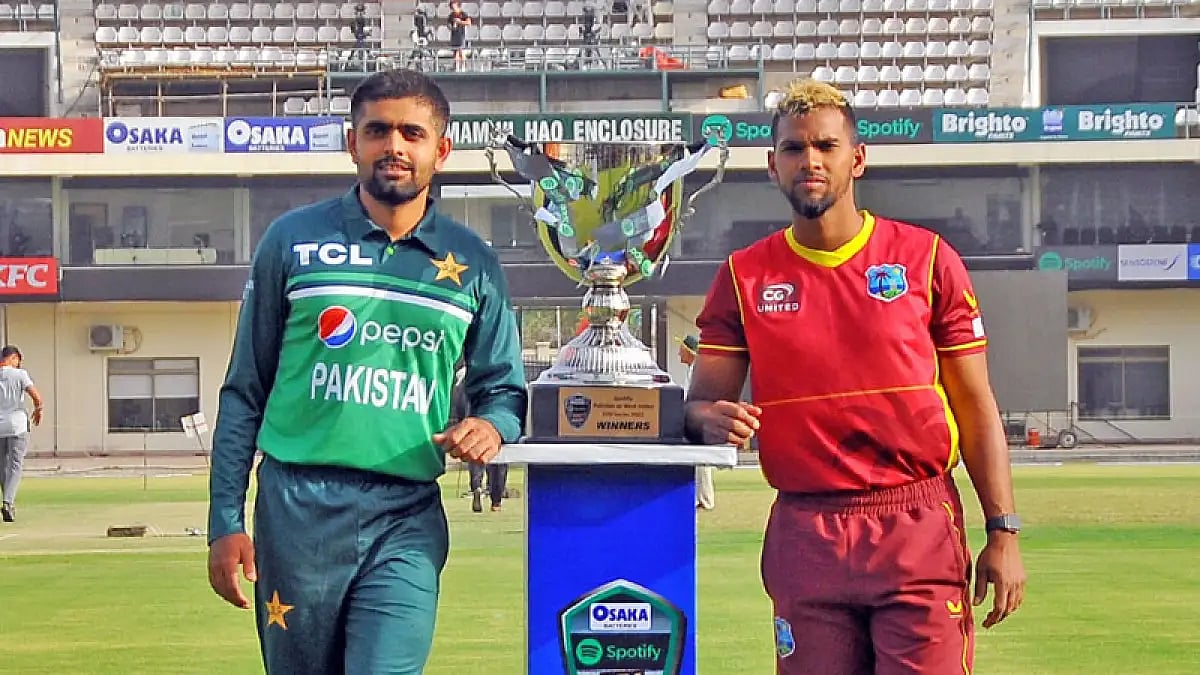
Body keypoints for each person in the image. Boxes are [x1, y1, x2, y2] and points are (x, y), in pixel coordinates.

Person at [684, 78, 1025, 674]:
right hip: (806, 528)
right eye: (793, 149)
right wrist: (707, 418)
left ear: (857, 159)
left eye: (825, 146)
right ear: (772, 165)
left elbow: (975, 405)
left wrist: (1004, 530)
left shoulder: (925, 259)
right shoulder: (744, 276)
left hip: (914, 522)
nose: (809, 161)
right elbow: (701, 403)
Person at [207, 69, 528, 674]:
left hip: (405, 514)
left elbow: (505, 390)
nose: (395, 147)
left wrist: (492, 426)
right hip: (295, 512)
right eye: (378, 130)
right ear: (353, 143)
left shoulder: (474, 262)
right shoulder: (293, 241)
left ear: (442, 149)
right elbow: (244, 391)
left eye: (412, 133)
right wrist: (224, 520)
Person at [0, 345, 42, 523]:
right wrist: (39, 409)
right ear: (14, 357)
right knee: (15, 465)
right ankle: (8, 501)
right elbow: (36, 396)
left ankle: (8, 501)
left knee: (2, 465)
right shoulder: (20, 374)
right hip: (17, 425)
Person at [677, 334, 715, 510]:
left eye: (681, 350)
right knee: (699, 462)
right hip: (695, 417)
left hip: (700, 419)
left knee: (702, 461)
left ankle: (706, 499)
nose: (679, 354)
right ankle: (702, 497)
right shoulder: (693, 369)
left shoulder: (698, 371)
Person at [447, 1, 471, 71]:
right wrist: (451, 27)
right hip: (454, 35)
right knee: (455, 52)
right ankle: (456, 67)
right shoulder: (451, 15)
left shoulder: (463, 14)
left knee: (461, 51)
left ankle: (463, 66)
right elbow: (448, 24)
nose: (452, 7)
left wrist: (459, 22)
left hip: (461, 35)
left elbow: (469, 23)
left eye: (453, 5)